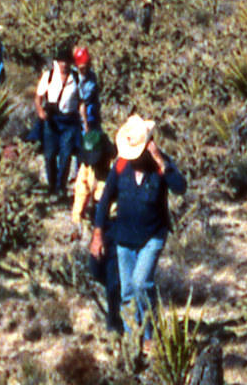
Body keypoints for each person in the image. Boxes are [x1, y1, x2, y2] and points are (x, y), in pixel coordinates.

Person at [90, 115, 186, 343]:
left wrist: (161, 161)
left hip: (152, 235)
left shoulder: (160, 165)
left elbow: (180, 187)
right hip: (124, 238)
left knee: (141, 284)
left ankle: (150, 337)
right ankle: (134, 341)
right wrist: (97, 234)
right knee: (127, 293)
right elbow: (105, 200)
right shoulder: (121, 165)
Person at [36, 43, 81, 197]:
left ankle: (61, 187)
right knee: (49, 155)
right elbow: (38, 97)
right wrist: (40, 111)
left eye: (67, 61)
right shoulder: (49, 76)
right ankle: (52, 185)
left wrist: (84, 121)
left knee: (66, 154)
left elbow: (81, 100)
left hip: (69, 120)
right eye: (61, 61)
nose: (64, 64)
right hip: (51, 119)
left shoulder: (76, 78)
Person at [70, 127, 115, 234]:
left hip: (114, 211)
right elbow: (81, 189)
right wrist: (77, 216)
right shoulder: (86, 167)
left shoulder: (116, 167)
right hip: (97, 206)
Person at [73, 46, 102, 133]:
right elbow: (80, 104)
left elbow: (95, 97)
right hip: (77, 116)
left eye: (87, 67)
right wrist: (85, 125)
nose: (85, 70)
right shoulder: (72, 78)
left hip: (92, 114)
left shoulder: (92, 76)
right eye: (82, 68)